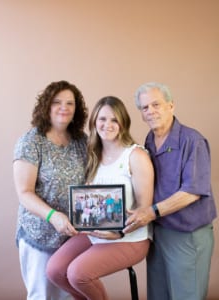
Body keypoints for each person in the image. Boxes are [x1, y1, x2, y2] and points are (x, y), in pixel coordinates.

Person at [46, 96, 154, 300]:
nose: (107, 125)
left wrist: (119, 233)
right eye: (102, 119)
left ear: (123, 123)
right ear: (94, 122)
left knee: (78, 274)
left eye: (114, 120)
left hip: (130, 238)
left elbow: (144, 212)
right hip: (95, 233)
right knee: (55, 270)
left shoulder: (136, 156)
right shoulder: (93, 155)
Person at [125, 82, 217, 300]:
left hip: (187, 234)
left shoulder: (192, 141)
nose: (150, 111)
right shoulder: (149, 140)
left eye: (156, 104)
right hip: (158, 232)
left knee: (187, 295)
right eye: (145, 107)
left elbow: (192, 191)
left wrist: (151, 212)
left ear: (171, 106)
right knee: (159, 294)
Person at [13, 80, 88, 300]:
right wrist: (53, 216)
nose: (64, 107)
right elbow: (24, 193)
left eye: (70, 103)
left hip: (72, 235)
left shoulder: (81, 141)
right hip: (40, 233)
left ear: (76, 110)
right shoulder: (31, 141)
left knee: (70, 294)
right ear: (46, 106)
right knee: (43, 295)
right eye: (57, 102)